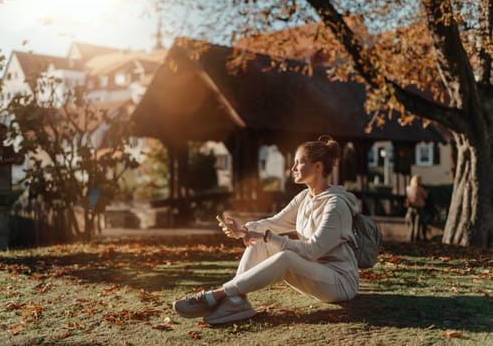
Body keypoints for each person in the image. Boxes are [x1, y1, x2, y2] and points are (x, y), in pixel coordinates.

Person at [173, 135, 360, 325]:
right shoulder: (305, 197)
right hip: (313, 273)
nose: (293, 168)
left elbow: (312, 251)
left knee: (284, 256)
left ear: (318, 166)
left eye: (298, 162)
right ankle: (237, 302)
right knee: (259, 242)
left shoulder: (336, 205)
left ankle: (217, 295)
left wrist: (267, 236)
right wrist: (244, 230)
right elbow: (274, 222)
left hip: (339, 282)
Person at [405, 175, 429, 241]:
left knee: (411, 225)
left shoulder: (408, 188)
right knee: (417, 225)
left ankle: (410, 238)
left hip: (410, 208)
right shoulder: (420, 189)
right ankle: (416, 239)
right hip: (419, 209)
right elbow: (426, 196)